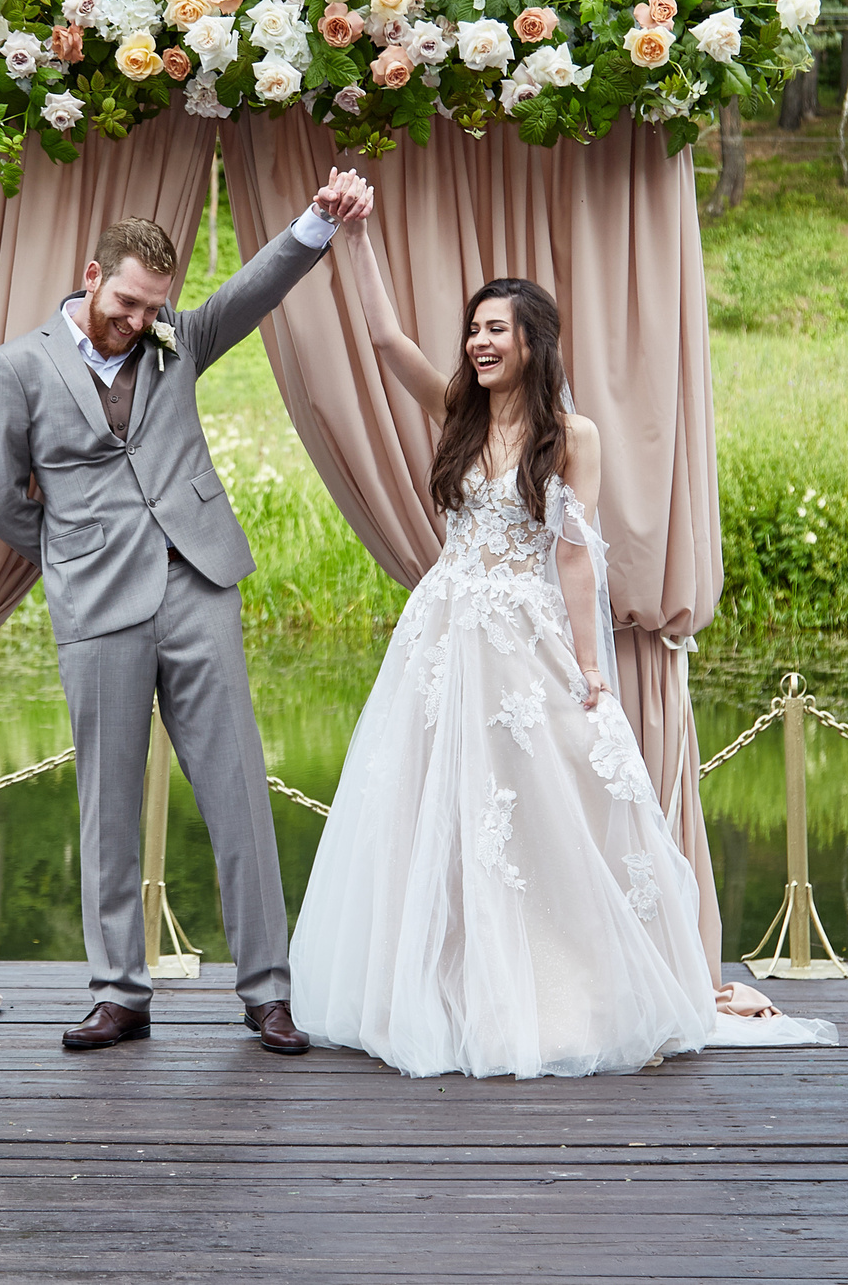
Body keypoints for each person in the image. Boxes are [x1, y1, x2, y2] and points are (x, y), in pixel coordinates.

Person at [285, 213, 726, 1078]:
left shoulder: (574, 436)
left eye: (495, 328)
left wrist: (590, 668)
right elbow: (383, 337)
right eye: (474, 329)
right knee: (429, 806)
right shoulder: (457, 410)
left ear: (534, 341)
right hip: (444, 633)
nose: (478, 341)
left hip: (523, 637)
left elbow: (573, 554)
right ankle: (443, 986)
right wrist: (358, 241)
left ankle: (559, 990)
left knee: (541, 809)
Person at [0, 171, 376, 1055]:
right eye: (125, 302)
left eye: (153, 307)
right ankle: (121, 993)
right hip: (97, 603)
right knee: (108, 804)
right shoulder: (18, 367)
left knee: (238, 791)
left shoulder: (178, 340)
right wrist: (73, 552)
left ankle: (267, 989)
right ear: (90, 275)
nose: (137, 321)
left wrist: (317, 222)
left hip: (199, 583)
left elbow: (252, 288)